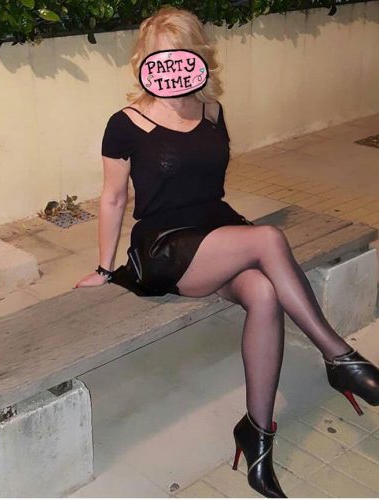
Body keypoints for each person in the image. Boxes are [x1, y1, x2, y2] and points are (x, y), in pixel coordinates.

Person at [74, 6, 379, 498]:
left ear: (197, 56)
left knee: (263, 293)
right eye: (159, 57)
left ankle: (257, 434)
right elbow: (112, 199)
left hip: (217, 232)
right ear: (144, 62)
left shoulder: (212, 111)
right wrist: (104, 268)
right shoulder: (126, 123)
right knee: (269, 238)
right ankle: (339, 356)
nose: (171, 68)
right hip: (165, 246)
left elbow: (209, 185)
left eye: (180, 55)